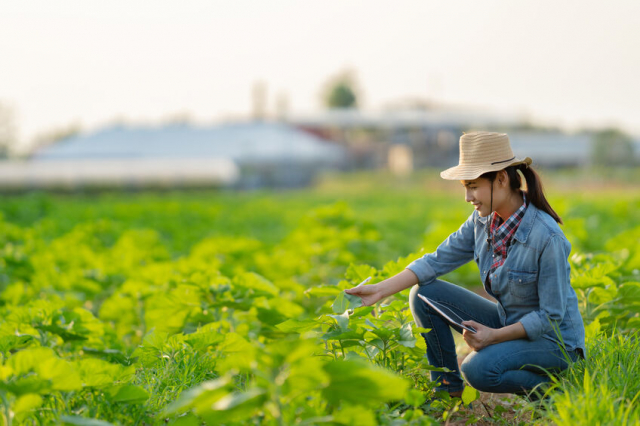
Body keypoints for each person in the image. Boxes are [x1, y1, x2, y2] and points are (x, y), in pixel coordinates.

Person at [345, 131, 585, 398]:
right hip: (511, 322)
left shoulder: (547, 237)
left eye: (473, 186)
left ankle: (552, 393)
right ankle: (446, 391)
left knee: (478, 369)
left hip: (553, 342)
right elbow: (436, 261)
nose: (468, 197)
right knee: (424, 294)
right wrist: (380, 290)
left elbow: (550, 317)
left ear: (502, 179)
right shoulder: (482, 221)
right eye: (465, 187)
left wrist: (493, 337)